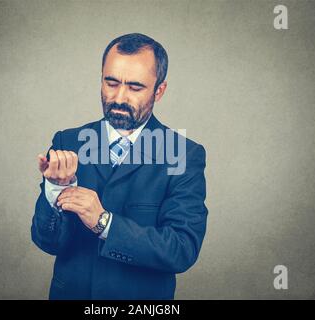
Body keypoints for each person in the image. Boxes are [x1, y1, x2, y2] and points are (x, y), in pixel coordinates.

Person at [31, 33, 208, 300]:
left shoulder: (182, 154)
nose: (119, 97)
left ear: (159, 91)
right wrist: (56, 190)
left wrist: (104, 223)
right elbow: (47, 242)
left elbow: (181, 250)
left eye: (135, 87)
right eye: (111, 82)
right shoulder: (67, 142)